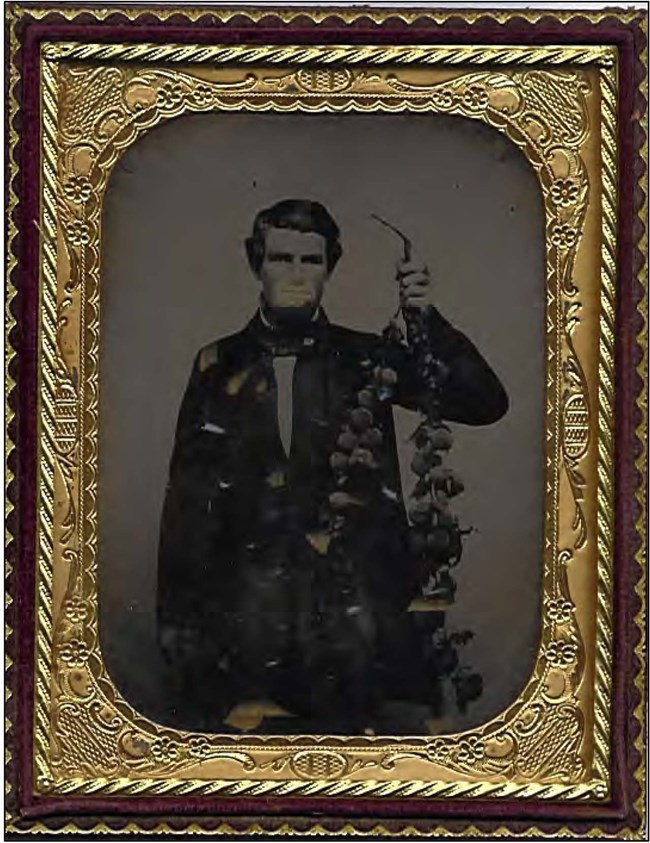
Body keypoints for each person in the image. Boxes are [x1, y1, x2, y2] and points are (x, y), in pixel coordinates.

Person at [157, 199, 508, 734]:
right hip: (251, 641)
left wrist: (427, 320)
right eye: (281, 259)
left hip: (359, 636)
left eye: (311, 261)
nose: (296, 275)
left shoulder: (368, 358)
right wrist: (178, 630)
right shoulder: (216, 364)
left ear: (330, 268)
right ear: (257, 263)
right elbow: (184, 509)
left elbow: (484, 402)